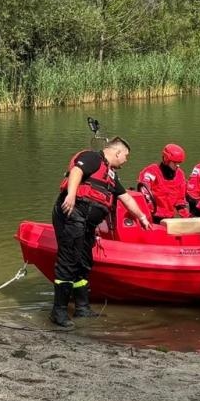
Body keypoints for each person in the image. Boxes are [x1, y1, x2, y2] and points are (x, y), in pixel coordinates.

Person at [50, 137, 152, 328]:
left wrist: (142, 217)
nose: (126, 161)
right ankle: (59, 311)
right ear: (118, 152)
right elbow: (76, 171)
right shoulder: (92, 158)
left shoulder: (110, 176)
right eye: (126, 156)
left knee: (84, 262)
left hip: (87, 223)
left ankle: (82, 307)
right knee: (69, 262)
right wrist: (71, 195)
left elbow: (126, 198)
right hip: (73, 214)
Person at [136, 143, 190, 221]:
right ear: (166, 160)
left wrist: (186, 217)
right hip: (152, 215)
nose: (177, 165)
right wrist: (149, 208)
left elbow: (180, 199)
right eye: (175, 163)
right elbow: (144, 188)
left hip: (169, 218)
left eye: (179, 163)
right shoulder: (152, 171)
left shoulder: (180, 175)